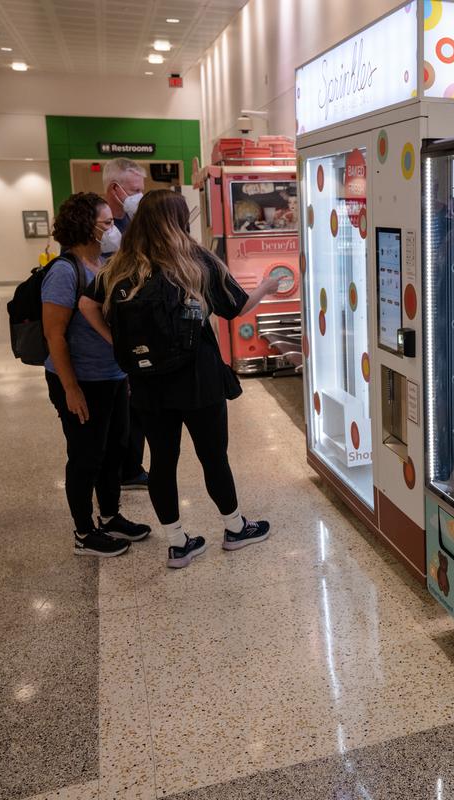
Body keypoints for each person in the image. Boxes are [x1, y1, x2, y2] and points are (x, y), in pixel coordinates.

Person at [81, 190, 279, 569]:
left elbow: (87, 304)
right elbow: (236, 307)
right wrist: (266, 288)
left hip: (146, 382)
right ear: (178, 220)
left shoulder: (119, 265)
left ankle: (177, 543)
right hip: (198, 379)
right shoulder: (195, 260)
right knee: (212, 456)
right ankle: (235, 528)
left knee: (162, 461)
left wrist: (116, 343)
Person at [43, 192, 150, 557]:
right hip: (80, 379)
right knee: (86, 455)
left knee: (115, 449)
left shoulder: (104, 263)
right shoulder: (64, 271)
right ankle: (84, 533)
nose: (112, 228)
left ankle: (110, 515)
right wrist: (70, 388)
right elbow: (54, 334)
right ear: (85, 226)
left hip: (112, 375)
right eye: (106, 223)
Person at [100, 157, 150, 492]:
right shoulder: (96, 220)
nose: (138, 197)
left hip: (140, 326)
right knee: (114, 411)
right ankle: (114, 471)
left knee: (139, 407)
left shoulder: (139, 221)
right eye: (134, 191)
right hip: (108, 330)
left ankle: (132, 467)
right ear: (114, 189)